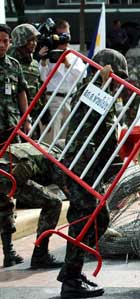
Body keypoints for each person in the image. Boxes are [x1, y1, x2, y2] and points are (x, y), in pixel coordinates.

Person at [56, 48, 128, 299]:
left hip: (89, 168)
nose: (121, 83)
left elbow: (106, 135)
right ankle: (71, 280)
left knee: (97, 219)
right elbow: (87, 102)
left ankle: (72, 273)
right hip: (79, 166)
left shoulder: (103, 93)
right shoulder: (92, 89)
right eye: (118, 76)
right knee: (87, 219)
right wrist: (99, 78)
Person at [0, 143, 65, 268]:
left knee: (4, 207)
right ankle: (40, 255)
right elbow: (65, 186)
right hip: (10, 175)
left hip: (4, 170)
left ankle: (9, 255)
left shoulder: (32, 145)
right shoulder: (55, 157)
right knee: (54, 203)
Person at [0, 24, 31, 266]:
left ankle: (8, 250)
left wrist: (26, 120)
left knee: (8, 192)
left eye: (6, 41)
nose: (2, 44)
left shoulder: (14, 65)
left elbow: (22, 93)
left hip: (11, 135)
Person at [38, 19, 86, 145]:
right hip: (53, 99)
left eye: (67, 36)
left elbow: (81, 76)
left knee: (67, 141)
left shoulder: (74, 55)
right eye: (61, 36)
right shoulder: (49, 53)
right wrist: (43, 60)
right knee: (50, 141)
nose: (64, 40)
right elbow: (43, 77)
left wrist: (67, 63)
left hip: (71, 99)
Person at [9, 23, 48, 138]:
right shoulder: (10, 62)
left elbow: (39, 87)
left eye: (35, 40)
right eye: (30, 40)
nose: (34, 43)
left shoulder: (34, 63)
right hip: (13, 118)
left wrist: (45, 111)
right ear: (21, 41)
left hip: (32, 117)